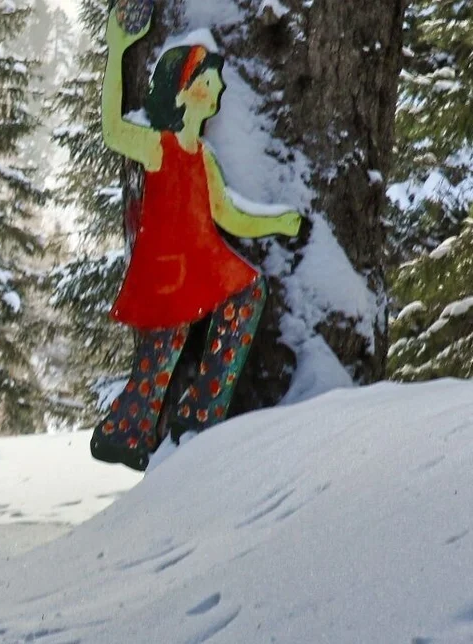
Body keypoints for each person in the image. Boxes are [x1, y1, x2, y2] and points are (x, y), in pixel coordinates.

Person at [88, 7, 305, 471]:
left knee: (247, 291)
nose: (220, 90)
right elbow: (110, 129)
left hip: (204, 264)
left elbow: (227, 214)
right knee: (153, 367)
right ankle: (120, 432)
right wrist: (118, 48)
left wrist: (277, 223)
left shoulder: (203, 156)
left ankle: (201, 408)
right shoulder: (156, 146)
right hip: (167, 272)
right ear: (186, 90)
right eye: (211, 81)